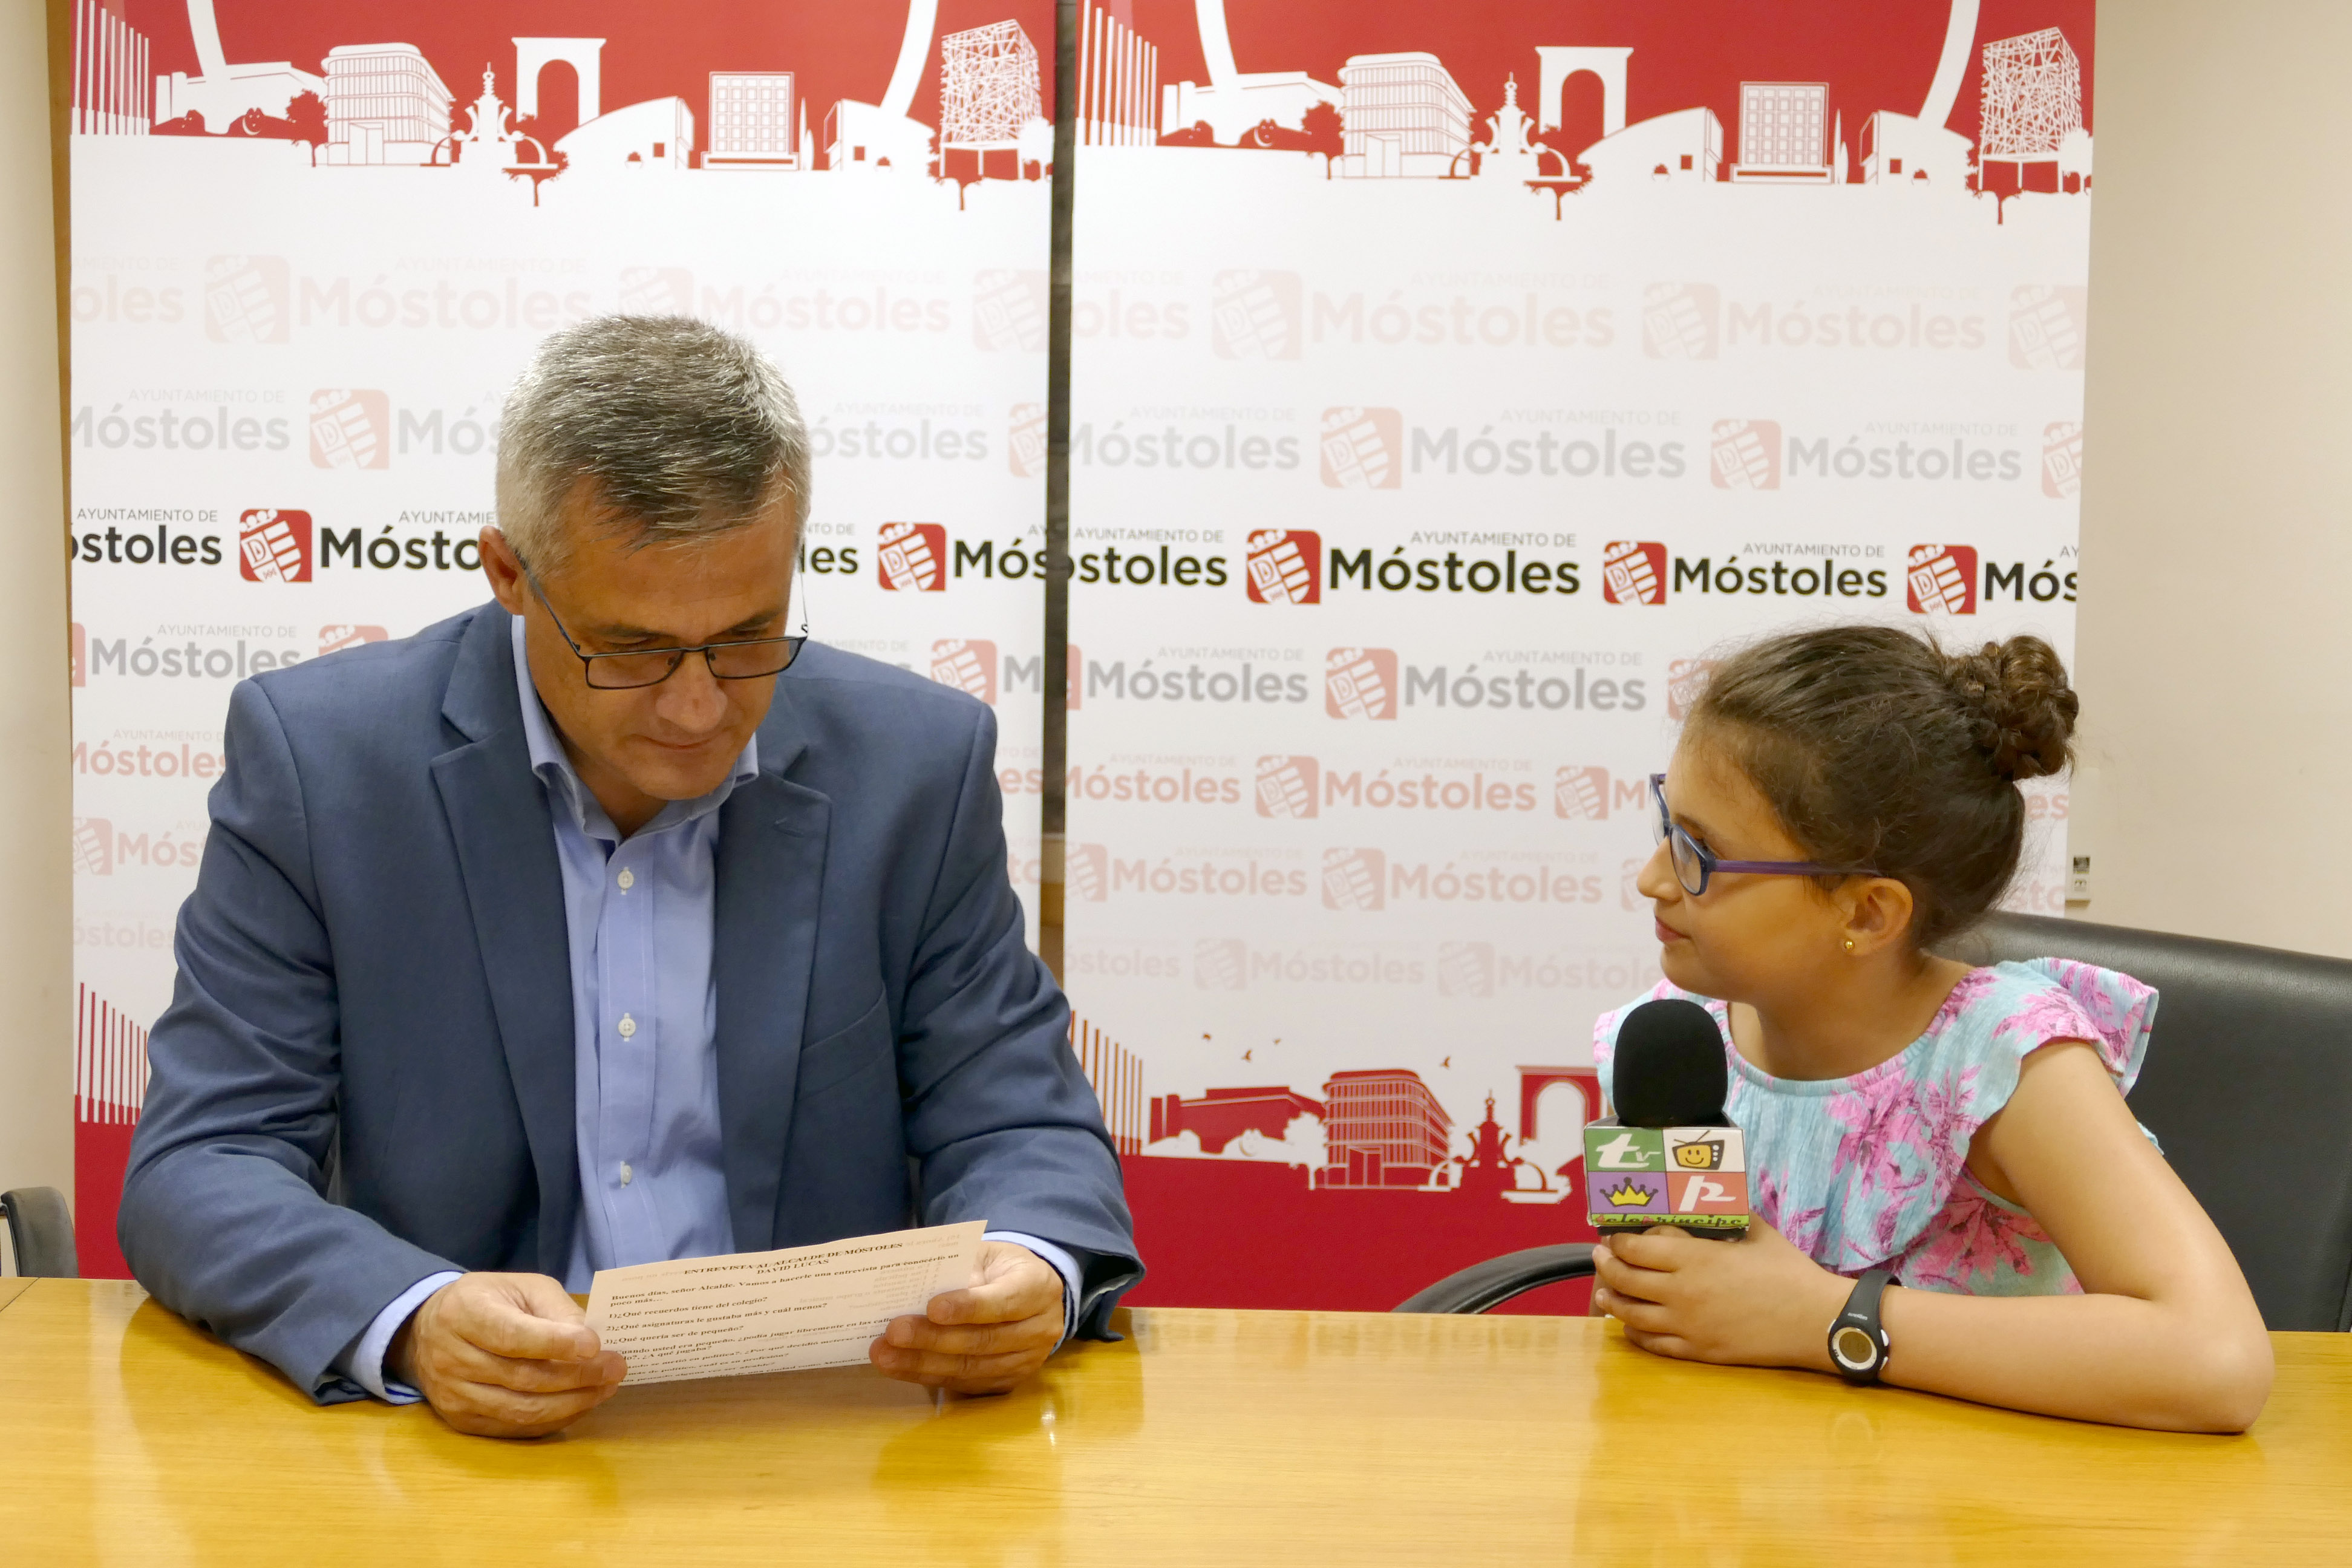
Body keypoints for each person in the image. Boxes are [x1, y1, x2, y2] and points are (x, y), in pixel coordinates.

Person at [120, 316, 1140, 1439]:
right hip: (469, 1452)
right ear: (510, 574)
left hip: (815, 1434)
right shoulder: (324, 766)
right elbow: (205, 1162)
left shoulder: (915, 769)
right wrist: (413, 1316)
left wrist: (1031, 1266)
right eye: (633, 651)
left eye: (747, 637)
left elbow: (1021, 1122)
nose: (697, 706)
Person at [1589, 625, 2272, 1432]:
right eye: (1668, 827)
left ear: (1867, 913)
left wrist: (1821, 1319)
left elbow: (2217, 1361)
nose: (1652, 879)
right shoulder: (1673, 1048)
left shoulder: (2003, 1060)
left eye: (1700, 853)